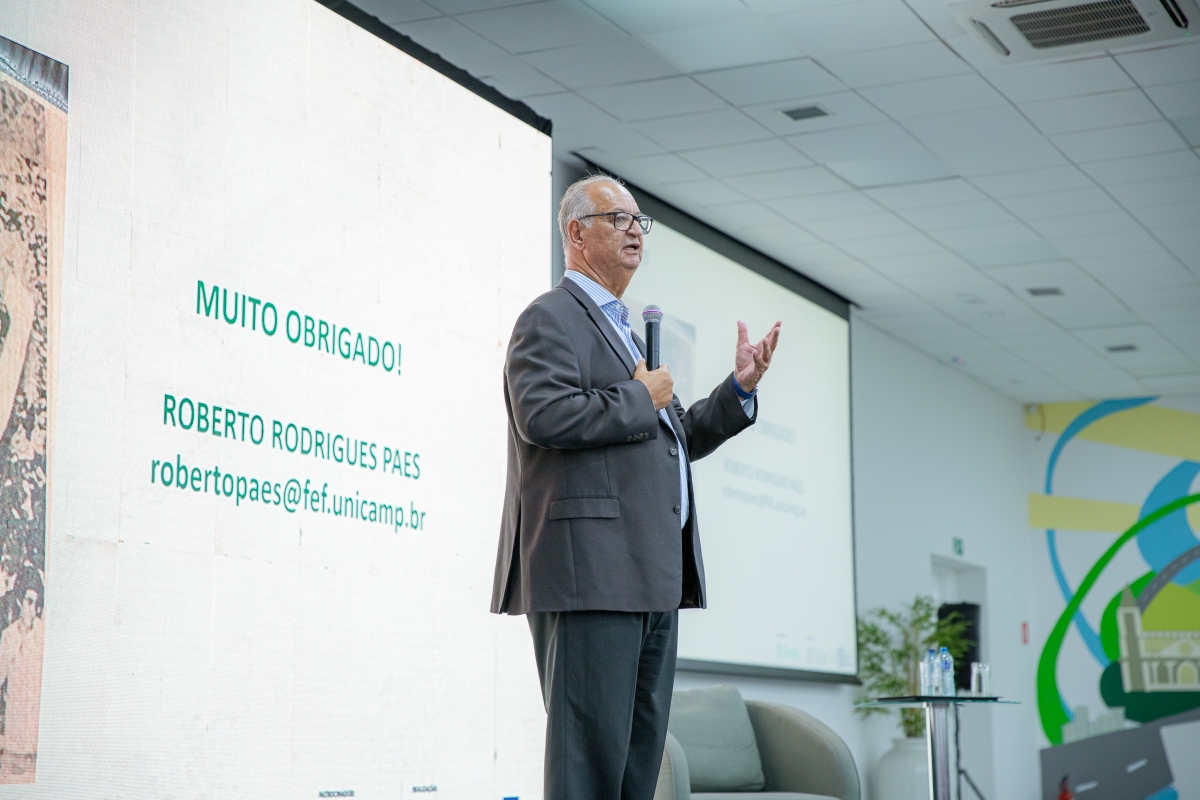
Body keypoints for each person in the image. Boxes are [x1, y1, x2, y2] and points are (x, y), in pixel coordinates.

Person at [490, 174, 781, 800]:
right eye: (618, 219)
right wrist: (638, 397)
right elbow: (542, 416)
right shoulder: (548, 318)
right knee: (588, 770)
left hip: (649, 576)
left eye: (638, 221)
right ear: (576, 233)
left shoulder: (622, 329)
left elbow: (672, 437)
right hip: (590, 575)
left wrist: (737, 391)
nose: (635, 232)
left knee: (635, 771)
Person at [0, 567, 43, 781]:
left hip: (38, 745)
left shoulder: (44, 635)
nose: (32, 610)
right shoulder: (9, 636)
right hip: (14, 744)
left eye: (36, 603)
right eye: (28, 602)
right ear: (19, 601)